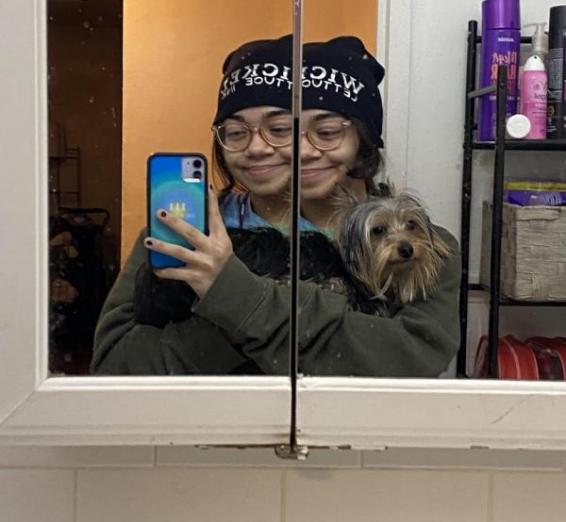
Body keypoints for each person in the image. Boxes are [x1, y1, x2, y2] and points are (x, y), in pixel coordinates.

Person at [91, 35, 460, 377]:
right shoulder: (184, 233)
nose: (258, 148)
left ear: (363, 139)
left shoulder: (421, 243)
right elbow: (116, 367)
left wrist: (236, 296)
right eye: (236, 132)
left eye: (281, 129)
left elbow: (410, 361)